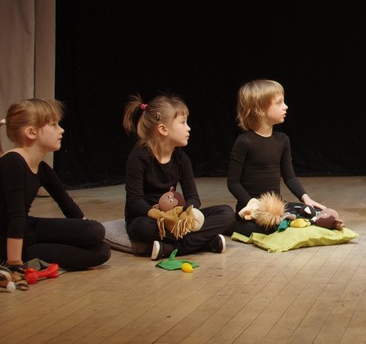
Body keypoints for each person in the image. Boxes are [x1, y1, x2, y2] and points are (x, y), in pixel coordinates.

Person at [0, 99, 111, 291]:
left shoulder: (42, 168)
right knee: (96, 245)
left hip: (27, 230)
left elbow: (67, 205)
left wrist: (85, 232)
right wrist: (15, 264)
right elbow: (15, 217)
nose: (61, 130)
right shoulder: (13, 162)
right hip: (8, 240)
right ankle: (11, 263)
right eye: (53, 125)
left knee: (100, 244)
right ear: (31, 132)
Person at [123, 93, 235, 260]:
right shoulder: (139, 158)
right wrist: (161, 216)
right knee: (142, 228)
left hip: (176, 218)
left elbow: (193, 197)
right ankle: (203, 242)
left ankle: (170, 249)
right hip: (150, 219)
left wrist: (185, 215)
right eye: (183, 123)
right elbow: (135, 202)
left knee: (226, 213)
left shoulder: (182, 159)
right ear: (163, 129)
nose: (188, 128)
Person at [226, 79, 326, 237]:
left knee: (312, 212)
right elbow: (233, 183)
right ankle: (233, 226)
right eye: (279, 103)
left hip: (277, 207)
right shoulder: (244, 142)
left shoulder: (282, 140)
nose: (285, 106)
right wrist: (253, 205)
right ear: (259, 110)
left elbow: (289, 177)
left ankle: (289, 221)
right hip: (253, 209)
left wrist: (306, 199)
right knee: (265, 228)